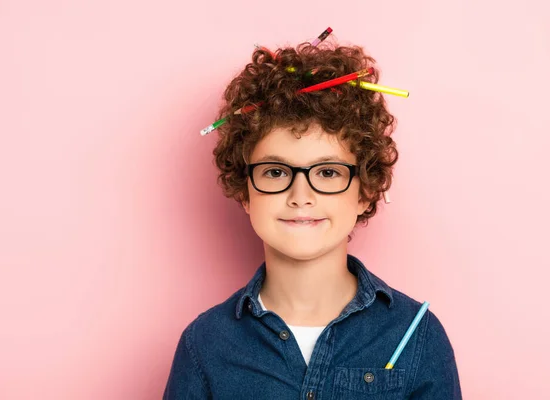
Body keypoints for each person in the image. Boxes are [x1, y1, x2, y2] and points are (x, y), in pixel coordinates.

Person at [163, 38, 462, 399]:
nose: (300, 196)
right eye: (275, 172)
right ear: (245, 192)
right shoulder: (204, 345)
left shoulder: (417, 336)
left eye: (328, 173)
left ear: (365, 190)